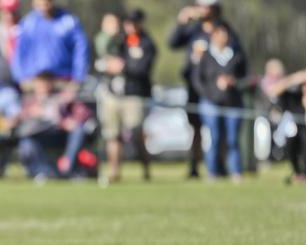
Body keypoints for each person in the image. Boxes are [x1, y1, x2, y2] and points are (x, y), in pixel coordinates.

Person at [169, 0, 242, 178]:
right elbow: (173, 43)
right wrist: (181, 22)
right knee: (196, 128)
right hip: (195, 86)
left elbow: (237, 55)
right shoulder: (194, 30)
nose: (201, 9)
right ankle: (194, 165)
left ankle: (220, 166)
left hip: (219, 91)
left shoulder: (225, 29)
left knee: (221, 131)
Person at [97, 9, 156, 182]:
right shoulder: (118, 41)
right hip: (112, 93)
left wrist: (123, 67)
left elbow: (142, 69)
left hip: (134, 94)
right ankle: (114, 172)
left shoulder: (146, 43)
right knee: (112, 134)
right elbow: (102, 56)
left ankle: (146, 169)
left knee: (135, 132)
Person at [193, 23, 247, 183]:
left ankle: (236, 172)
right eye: (218, 33)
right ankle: (212, 172)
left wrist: (234, 82)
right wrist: (211, 94)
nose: (222, 37)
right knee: (214, 137)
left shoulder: (237, 54)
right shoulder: (206, 56)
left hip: (233, 103)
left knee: (232, 139)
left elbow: (248, 77)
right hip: (211, 103)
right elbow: (197, 80)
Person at [17, 71, 93, 180]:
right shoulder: (29, 101)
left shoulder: (62, 98)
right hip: (39, 137)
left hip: (59, 134)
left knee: (79, 130)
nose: (43, 87)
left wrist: (68, 121)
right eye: (41, 84)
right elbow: (23, 123)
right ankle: (45, 172)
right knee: (26, 143)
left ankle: (67, 168)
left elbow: (82, 114)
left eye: (46, 83)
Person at [11, 0, 89, 89]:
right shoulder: (28, 23)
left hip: (63, 82)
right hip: (34, 84)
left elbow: (80, 50)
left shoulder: (69, 21)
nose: (44, 2)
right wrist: (20, 78)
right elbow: (19, 53)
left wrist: (78, 78)